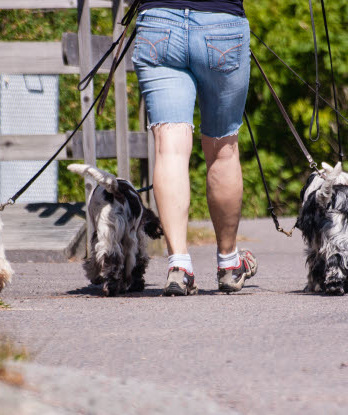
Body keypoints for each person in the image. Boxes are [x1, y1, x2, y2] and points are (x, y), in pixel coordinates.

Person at [131, 0, 257, 296]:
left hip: (159, 23)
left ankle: (180, 266)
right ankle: (228, 263)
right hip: (221, 23)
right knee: (222, 148)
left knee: (169, 149)